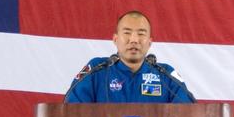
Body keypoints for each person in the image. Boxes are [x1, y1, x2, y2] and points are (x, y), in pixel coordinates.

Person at [64, 10, 195, 103]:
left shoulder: (166, 75)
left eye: (141, 34)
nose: (134, 40)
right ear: (115, 39)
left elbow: (188, 115)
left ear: (150, 42)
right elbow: (72, 113)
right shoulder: (96, 70)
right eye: (127, 33)